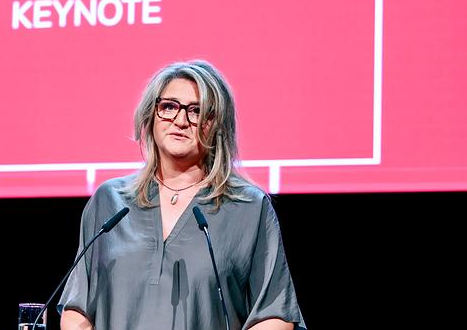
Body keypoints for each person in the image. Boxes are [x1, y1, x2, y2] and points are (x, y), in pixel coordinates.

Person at [57, 60, 306, 330]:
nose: (180, 120)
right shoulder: (109, 201)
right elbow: (77, 310)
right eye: (169, 107)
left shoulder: (250, 208)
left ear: (218, 125)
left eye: (197, 111)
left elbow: (274, 316)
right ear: (150, 115)